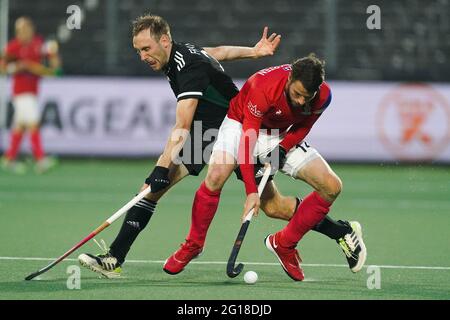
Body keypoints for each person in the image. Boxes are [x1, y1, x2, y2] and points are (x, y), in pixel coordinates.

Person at [79, 14, 363, 279]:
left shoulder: (186, 68)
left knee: (269, 205)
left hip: (224, 126)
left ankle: (339, 230)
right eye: (138, 50)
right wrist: (253, 52)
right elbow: (217, 53)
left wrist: (161, 166)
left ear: (164, 40)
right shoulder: (182, 53)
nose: (142, 56)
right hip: (213, 128)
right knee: (156, 191)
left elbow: (182, 125)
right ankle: (115, 258)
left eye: (146, 48)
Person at [163, 54, 367, 280]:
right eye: (297, 94)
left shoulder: (323, 97)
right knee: (216, 176)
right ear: (289, 79)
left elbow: (303, 126)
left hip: (279, 135)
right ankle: (194, 244)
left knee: (331, 186)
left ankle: (284, 244)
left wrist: (283, 148)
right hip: (240, 125)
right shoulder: (263, 87)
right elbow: (247, 140)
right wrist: (251, 191)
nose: (301, 101)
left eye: (306, 97)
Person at [0, 17, 61, 174]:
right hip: (21, 92)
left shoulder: (38, 44)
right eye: (22, 29)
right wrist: (16, 67)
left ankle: (8, 158)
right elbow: (3, 68)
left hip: (32, 91)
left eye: (27, 28)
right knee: (33, 123)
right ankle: (41, 160)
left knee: (20, 126)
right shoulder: (13, 47)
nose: (25, 32)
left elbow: (54, 64)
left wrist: (53, 55)